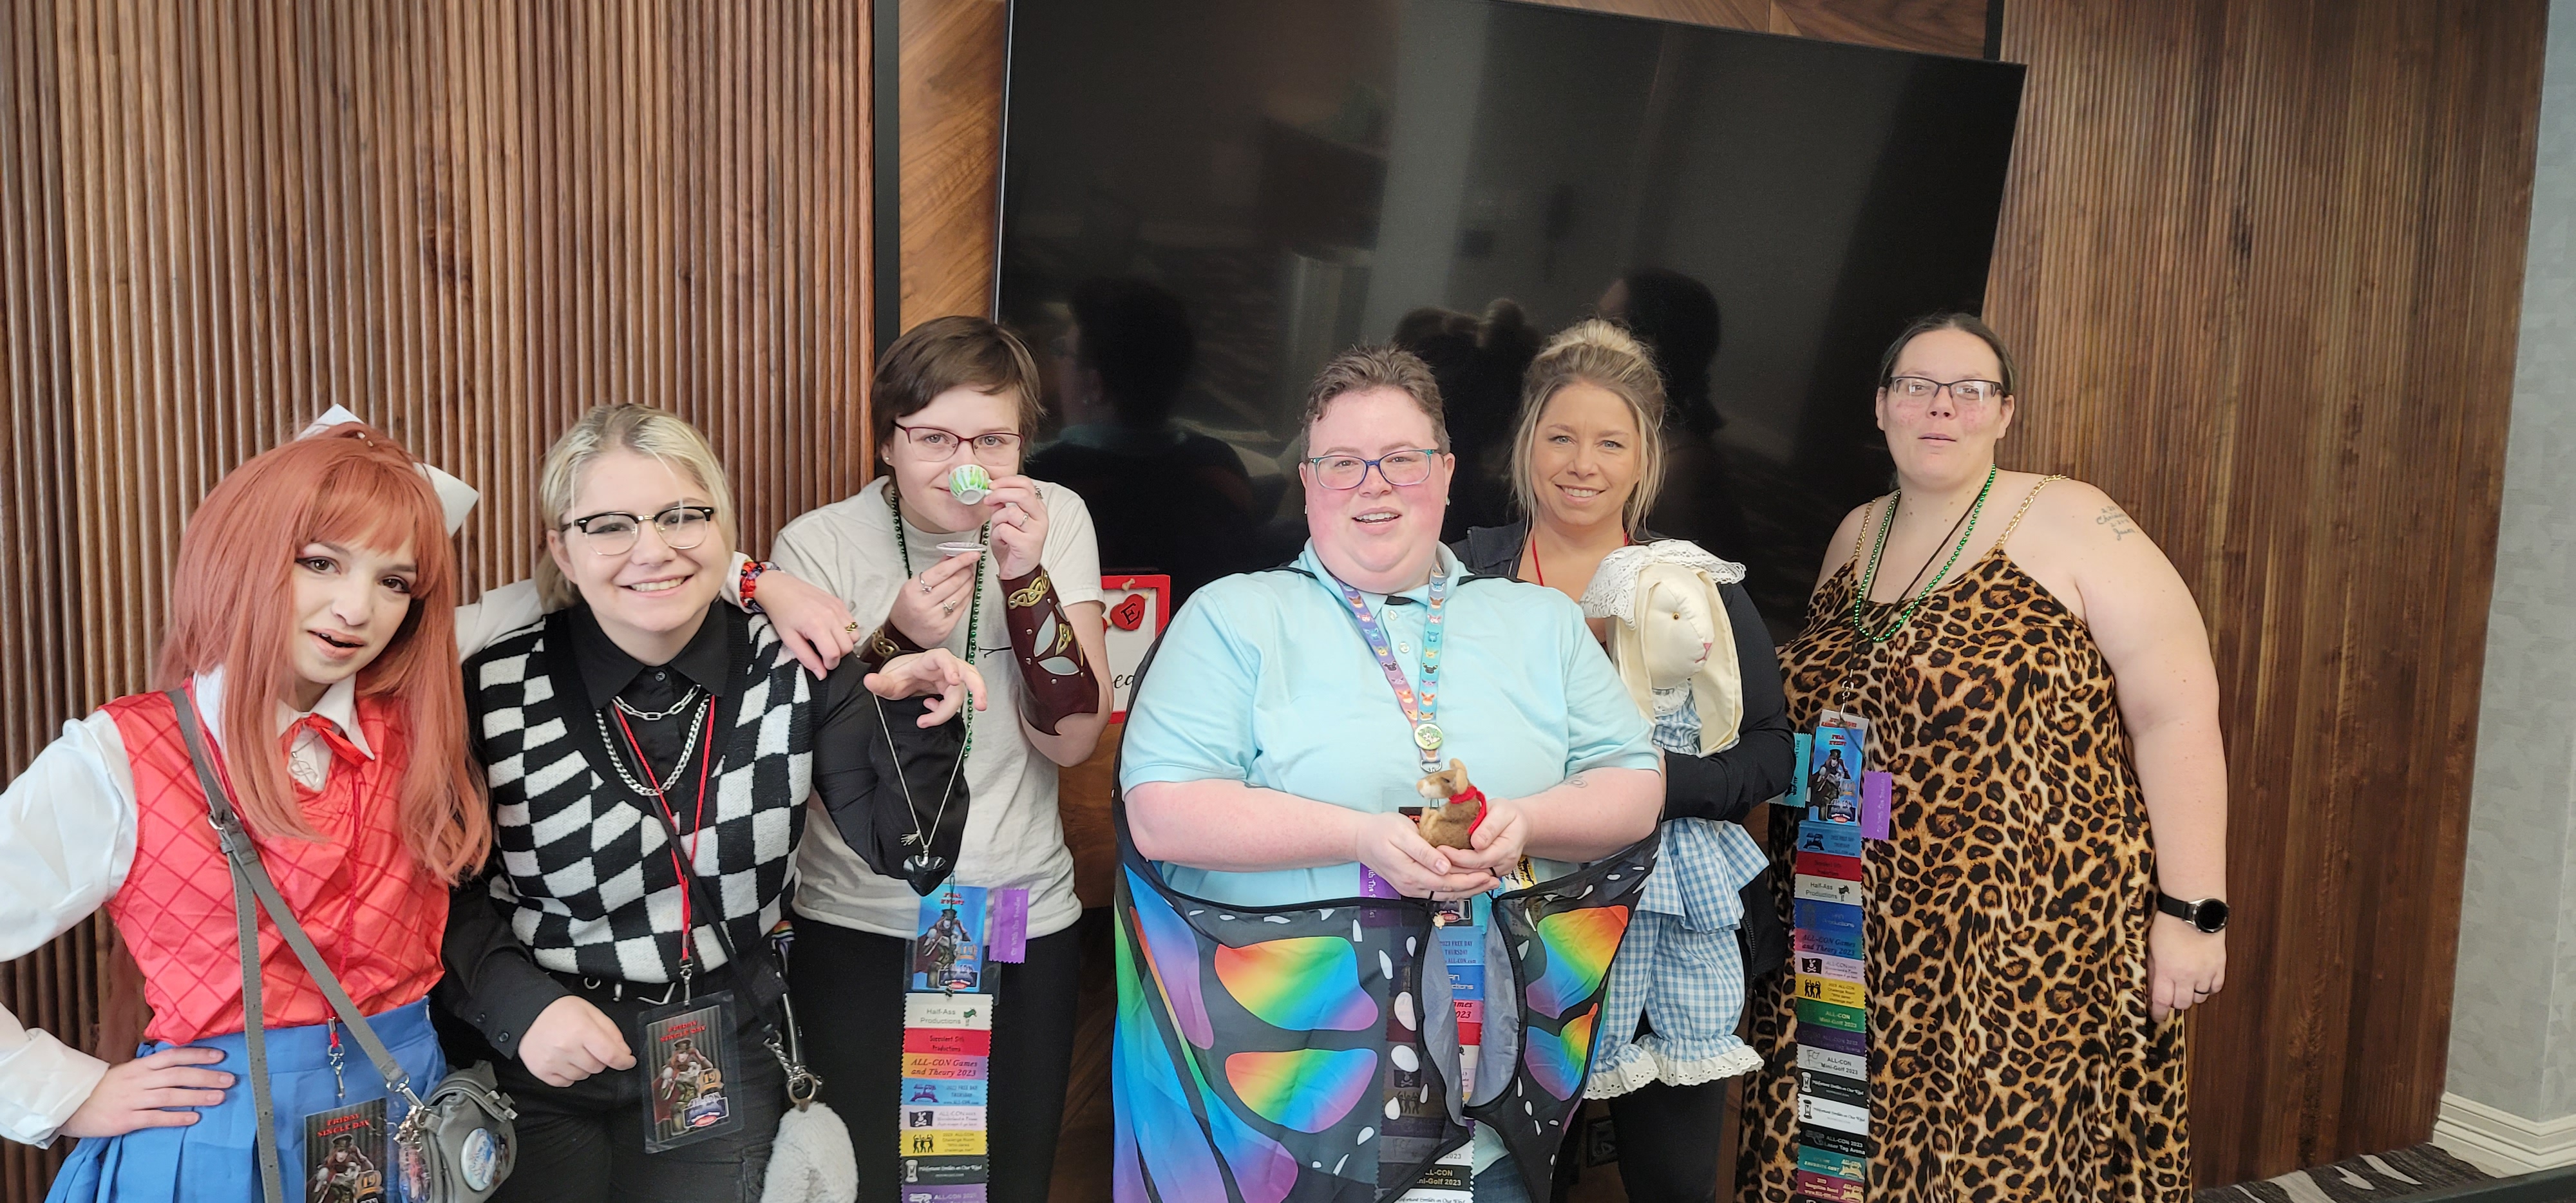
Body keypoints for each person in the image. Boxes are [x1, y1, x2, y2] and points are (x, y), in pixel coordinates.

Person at [1119, 345, 1664, 1202]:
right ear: (1308, 483)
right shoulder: (1233, 616)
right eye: (1342, 463)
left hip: (1486, 1084)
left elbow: (1635, 785)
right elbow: (1161, 811)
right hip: (1277, 1101)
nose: (1372, 485)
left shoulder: (1543, 622)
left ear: (1445, 473)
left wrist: (1528, 820)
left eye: (1401, 459)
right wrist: (1359, 836)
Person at [435, 404, 988, 1202]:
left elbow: (918, 856)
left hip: (719, 1046)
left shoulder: (796, 665)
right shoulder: (491, 684)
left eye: (682, 515)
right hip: (538, 1050)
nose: (652, 549)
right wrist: (520, 1009)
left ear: (722, 529)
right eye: (609, 525)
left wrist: (914, 718)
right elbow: (435, 888)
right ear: (562, 547)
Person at [1738, 313, 2224, 1202]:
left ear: (2005, 413)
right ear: (1882, 406)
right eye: (1917, 386)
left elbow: (2176, 714)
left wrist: (2193, 913)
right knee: (1837, 1151)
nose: (1942, 407)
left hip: (2024, 926)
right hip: (1845, 911)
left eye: (1970, 390)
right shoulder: (1856, 533)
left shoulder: (2075, 517)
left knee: (1995, 1161)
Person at [1, 426, 486, 1200]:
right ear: (247, 555)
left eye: (395, 581)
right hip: (218, 1140)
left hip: (404, 1117)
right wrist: (62, 1091)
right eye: (320, 561)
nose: (356, 607)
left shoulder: (417, 729)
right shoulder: (123, 754)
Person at [770, 315, 1112, 1203]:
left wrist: (1026, 577)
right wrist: (893, 638)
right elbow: (809, 762)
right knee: (873, 1185)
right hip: (861, 921)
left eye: (992, 440)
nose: (967, 463)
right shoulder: (818, 544)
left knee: (1005, 1182)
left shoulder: (1054, 518)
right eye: (934, 439)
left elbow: (1072, 738)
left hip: (1017, 915)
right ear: (888, 442)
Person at [1454, 319, 1793, 1203]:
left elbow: (1770, 754)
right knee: (1509, 1178)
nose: (1582, 464)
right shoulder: (1461, 577)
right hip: (1501, 925)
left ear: (1645, 459)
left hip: (1667, 918)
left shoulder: (1693, 588)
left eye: (1610, 443)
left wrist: (1634, 791)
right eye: (1560, 437)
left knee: (1672, 1181)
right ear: (1526, 443)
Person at [1025, 276, 1260, 605]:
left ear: (1096, 385)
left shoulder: (1040, 482)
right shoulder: (1221, 468)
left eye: (1062, 351)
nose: (1056, 363)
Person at [1600, 269, 1750, 557]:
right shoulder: (1618, 428)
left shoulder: (1676, 468)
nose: (1588, 337)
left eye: (1608, 326)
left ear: (1650, 345)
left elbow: (1669, 580)